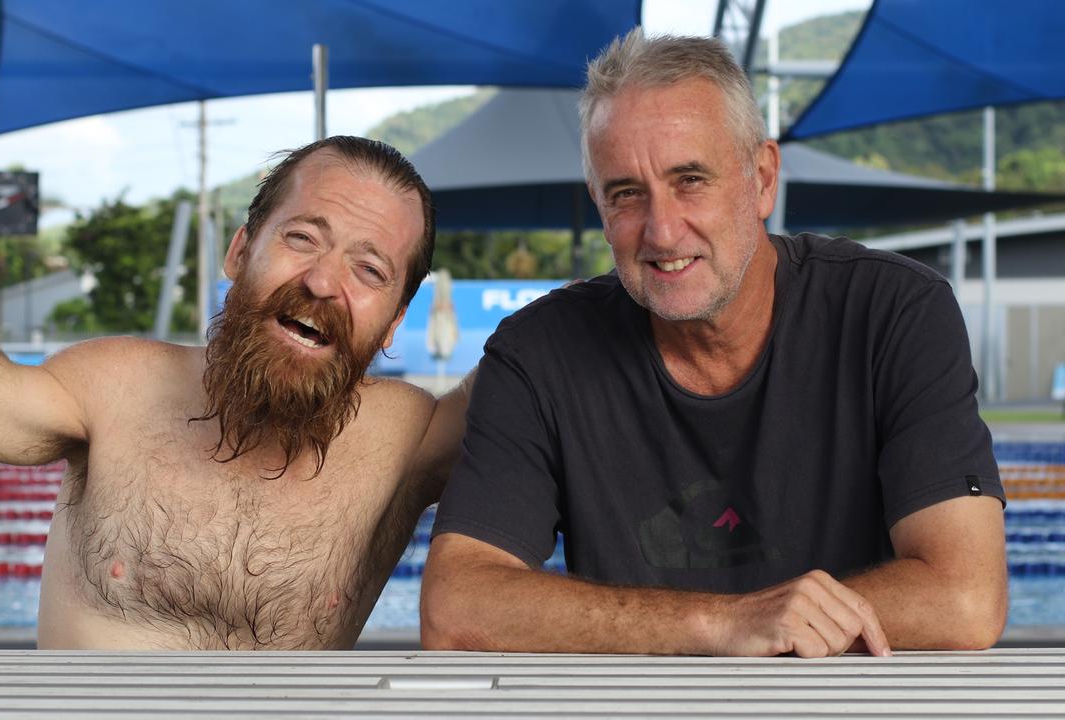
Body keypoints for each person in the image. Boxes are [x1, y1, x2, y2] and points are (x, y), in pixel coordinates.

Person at [420, 32, 1007, 658]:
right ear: (598, 204)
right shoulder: (540, 353)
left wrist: (768, 625)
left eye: (690, 179)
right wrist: (723, 624)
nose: (663, 230)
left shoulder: (893, 314)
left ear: (761, 179)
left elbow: (967, 600)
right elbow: (456, 610)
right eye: (626, 193)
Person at [0, 136, 469, 650]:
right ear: (240, 251)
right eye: (301, 238)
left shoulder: (407, 437)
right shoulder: (117, 381)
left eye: (368, 269)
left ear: (393, 323)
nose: (324, 282)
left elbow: (551, 365)